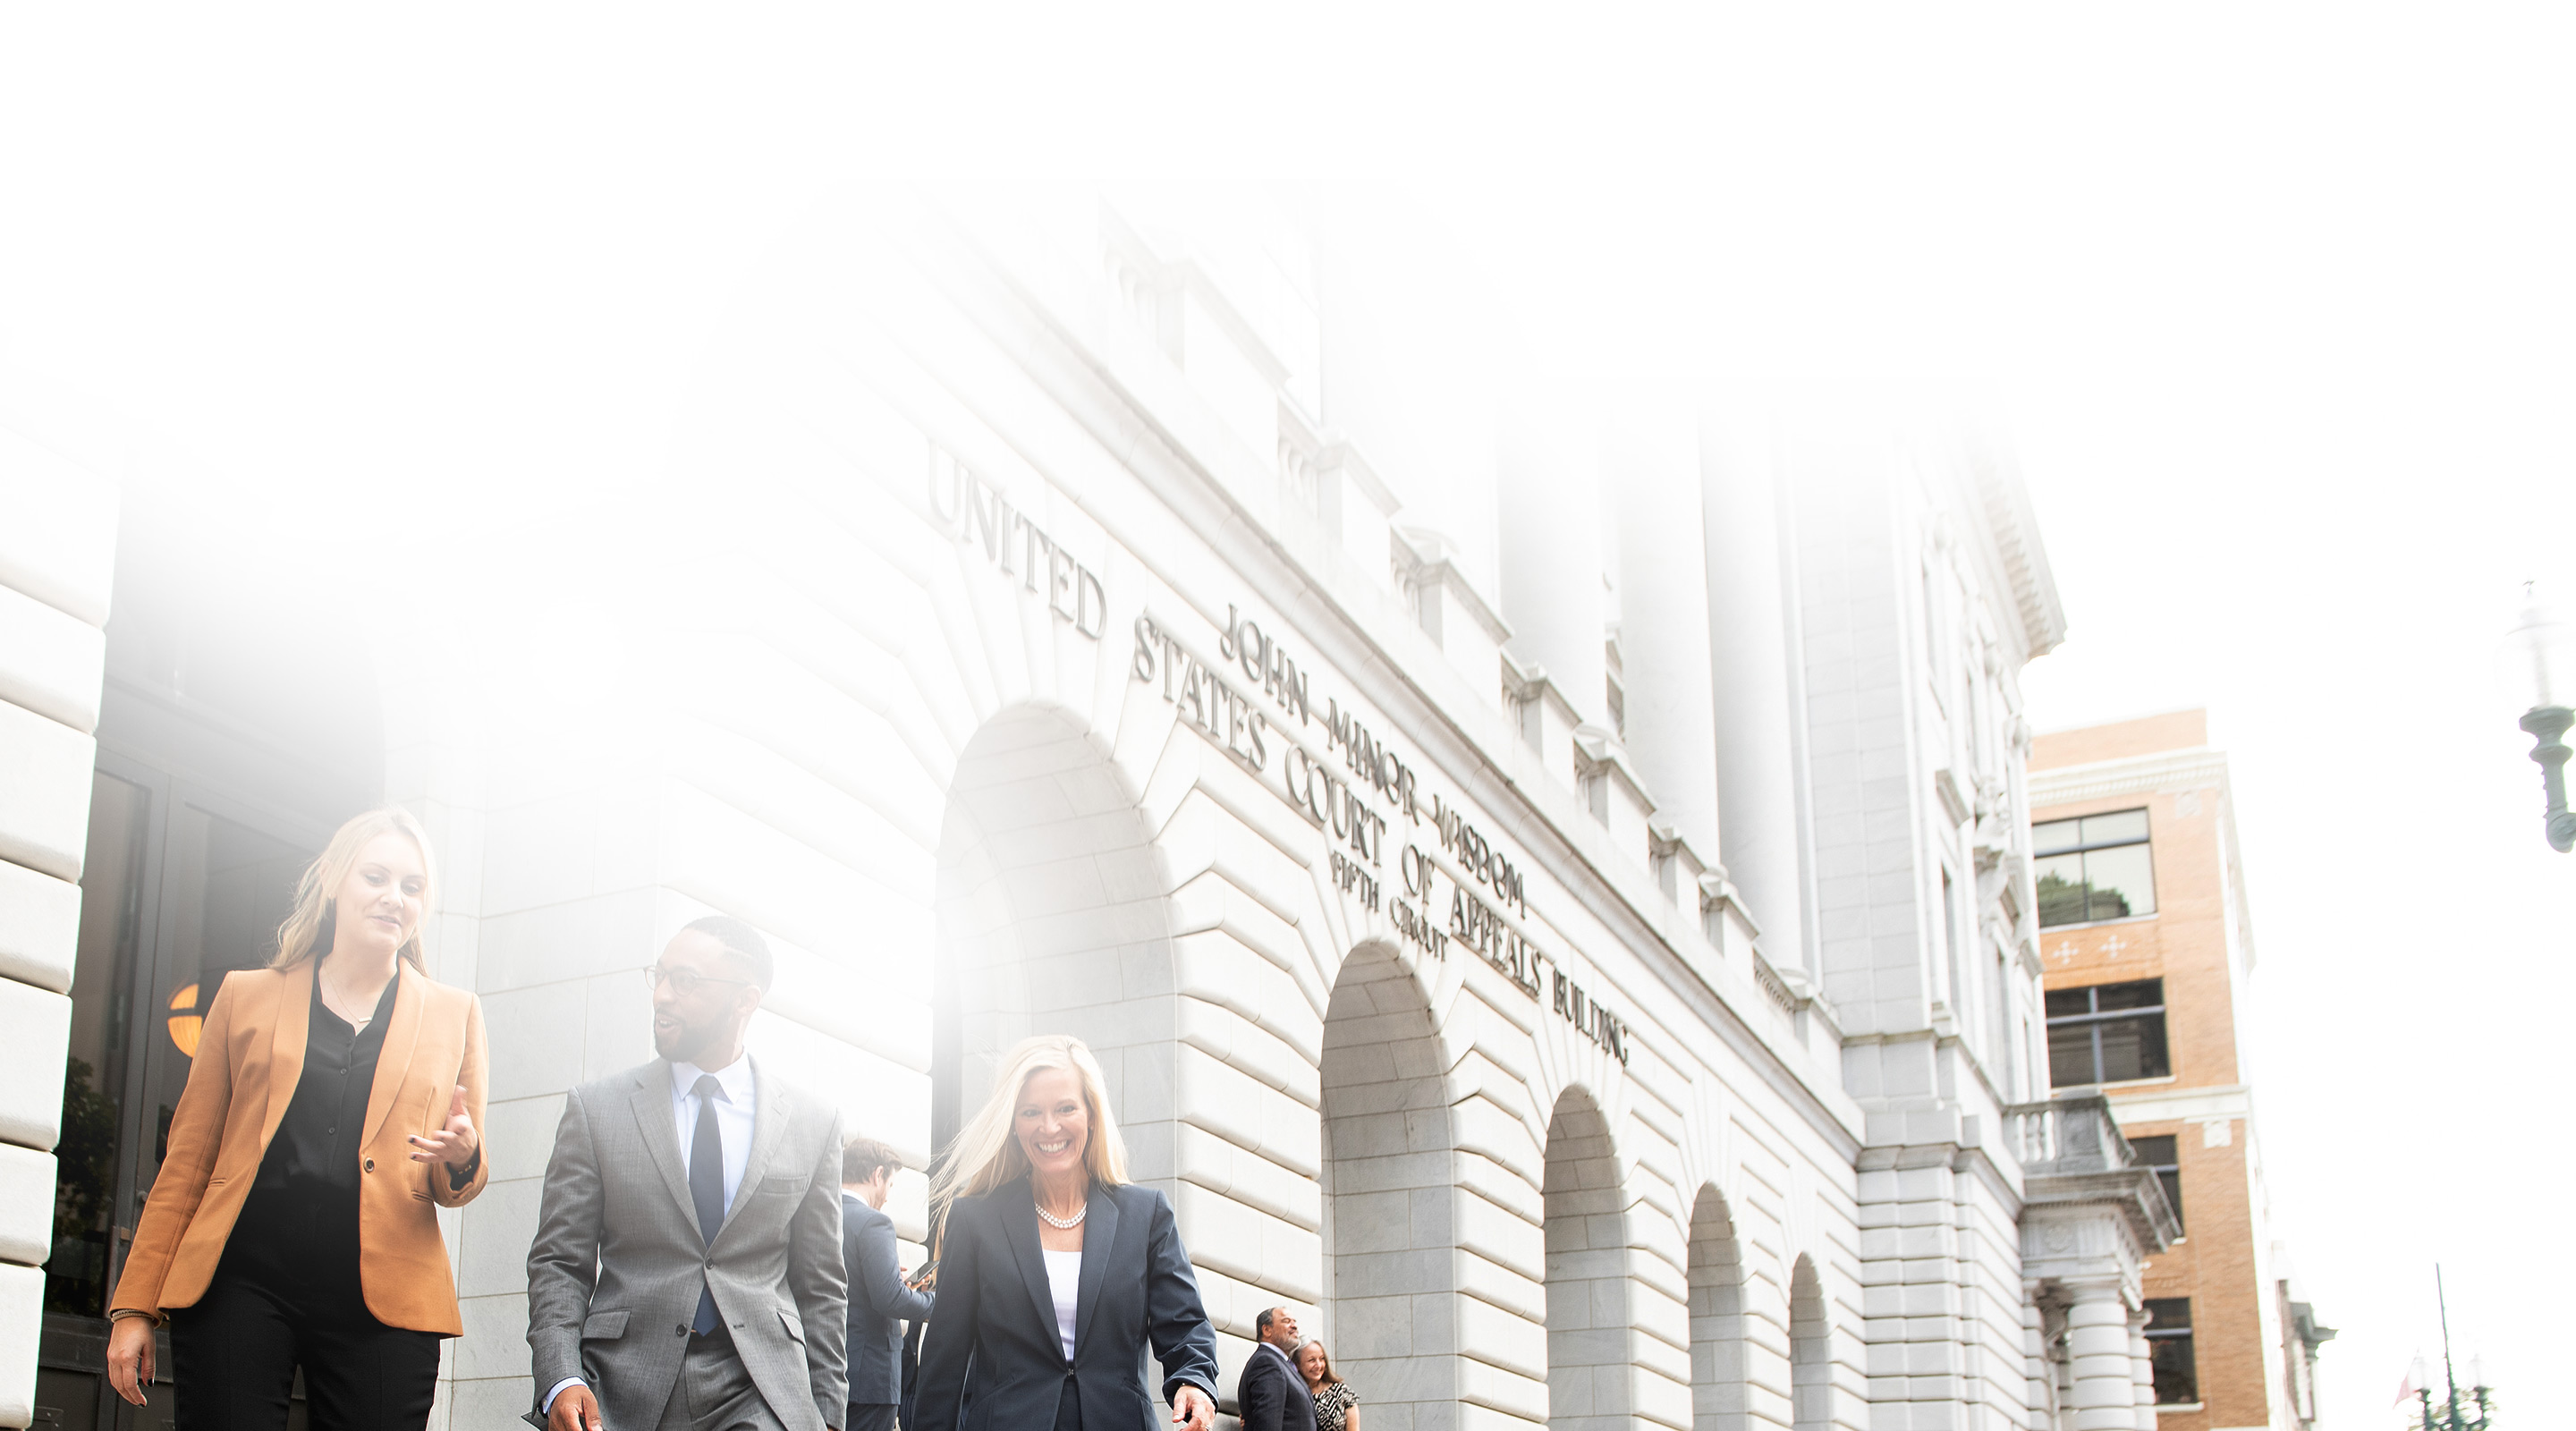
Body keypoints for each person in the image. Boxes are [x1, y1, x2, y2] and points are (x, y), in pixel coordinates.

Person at [103, 808, 491, 1431]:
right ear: (335, 879)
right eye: (375, 877)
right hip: (243, 1282)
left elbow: (457, 1181)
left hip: (386, 1301)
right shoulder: (245, 996)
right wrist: (135, 1308)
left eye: (412, 887)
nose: (394, 897)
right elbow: (189, 1161)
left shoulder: (455, 1015)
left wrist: (462, 1156)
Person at [525, 916, 850, 1431]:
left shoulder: (812, 1122)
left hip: (762, 1387)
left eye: (686, 981)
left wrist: (829, 1417)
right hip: (620, 1386)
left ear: (746, 1000)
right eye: (659, 975)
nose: (662, 996)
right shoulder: (596, 1109)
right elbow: (559, 1261)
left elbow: (822, 1286)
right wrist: (561, 1376)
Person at [912, 1035, 1219, 1431]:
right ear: (1013, 1123)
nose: (1049, 1127)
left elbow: (1186, 1325)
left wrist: (1195, 1380)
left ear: (1091, 1114)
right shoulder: (975, 1219)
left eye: (1065, 1108)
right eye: (1030, 1112)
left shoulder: (1147, 1215)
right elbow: (944, 1360)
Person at [839, 1137, 932, 1431]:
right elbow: (890, 1299)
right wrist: (936, 1303)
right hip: (870, 1381)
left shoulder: (822, 1215)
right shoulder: (874, 1222)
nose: (888, 1197)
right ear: (878, 1175)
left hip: (826, 1373)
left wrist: (892, 1278)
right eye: (890, 1185)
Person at [1234, 1308, 1314, 1431]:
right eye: (1286, 1321)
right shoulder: (1267, 1363)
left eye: (1294, 1321)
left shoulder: (1282, 1364)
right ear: (1266, 1330)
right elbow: (1267, 1424)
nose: (1294, 1326)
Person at [1294, 1341, 1358, 1431]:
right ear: (1297, 1364)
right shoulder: (1293, 1395)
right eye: (1311, 1360)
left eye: (1322, 1359)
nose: (1318, 1365)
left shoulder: (1341, 1392)